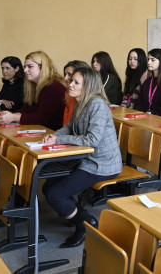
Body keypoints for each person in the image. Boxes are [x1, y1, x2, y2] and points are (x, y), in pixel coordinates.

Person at [40, 66, 122, 248]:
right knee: (49, 186)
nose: (70, 84)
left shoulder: (97, 105)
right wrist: (54, 136)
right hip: (84, 159)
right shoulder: (80, 102)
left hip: (102, 164)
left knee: (56, 195)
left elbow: (92, 140)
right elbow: (70, 127)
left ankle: (84, 223)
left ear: (89, 87)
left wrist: (59, 139)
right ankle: (77, 213)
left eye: (76, 82)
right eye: (71, 81)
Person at [0, 51, 66, 130]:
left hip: (53, 133)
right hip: (40, 130)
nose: (25, 70)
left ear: (42, 67)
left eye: (30, 66)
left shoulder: (53, 86)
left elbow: (42, 118)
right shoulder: (33, 85)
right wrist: (10, 115)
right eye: (25, 67)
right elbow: (26, 109)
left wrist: (14, 117)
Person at [133, 49, 161, 118]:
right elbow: (139, 105)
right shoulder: (147, 82)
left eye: (152, 60)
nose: (148, 62)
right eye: (148, 59)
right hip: (145, 120)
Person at [62, 60, 89, 126]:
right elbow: (67, 125)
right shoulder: (68, 93)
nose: (65, 78)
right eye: (65, 74)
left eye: (69, 74)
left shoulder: (94, 102)